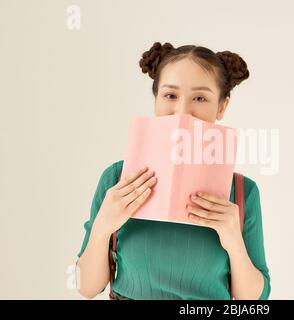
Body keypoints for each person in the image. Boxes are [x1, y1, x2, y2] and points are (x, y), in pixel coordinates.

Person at [75, 42, 271, 300]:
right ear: (156, 99)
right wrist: (102, 228)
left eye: (200, 98)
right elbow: (87, 288)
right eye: (170, 95)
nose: (182, 112)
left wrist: (234, 242)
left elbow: (254, 300)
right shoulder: (116, 179)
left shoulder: (243, 192)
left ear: (222, 106)